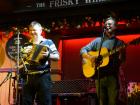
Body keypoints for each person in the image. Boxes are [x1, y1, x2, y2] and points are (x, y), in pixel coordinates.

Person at [80, 16, 126, 105]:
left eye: (110, 24)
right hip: (99, 77)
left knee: (113, 102)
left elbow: (122, 60)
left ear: (115, 26)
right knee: (101, 103)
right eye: (106, 24)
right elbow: (82, 50)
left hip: (112, 77)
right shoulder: (98, 41)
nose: (107, 25)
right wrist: (90, 58)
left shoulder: (119, 43)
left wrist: (122, 53)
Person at [21, 21, 59, 105]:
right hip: (29, 76)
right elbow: (22, 61)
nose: (32, 32)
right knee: (26, 102)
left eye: (34, 30)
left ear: (40, 30)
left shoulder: (48, 42)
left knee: (45, 102)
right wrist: (24, 56)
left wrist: (48, 55)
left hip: (43, 76)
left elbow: (57, 56)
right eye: (30, 30)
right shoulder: (26, 45)